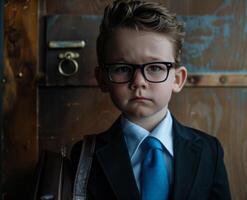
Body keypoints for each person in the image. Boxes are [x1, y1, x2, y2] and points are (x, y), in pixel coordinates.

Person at [71, 0, 231, 199]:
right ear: (102, 79)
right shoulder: (85, 155)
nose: (138, 82)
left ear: (177, 79)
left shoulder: (209, 150)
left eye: (155, 67)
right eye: (122, 69)